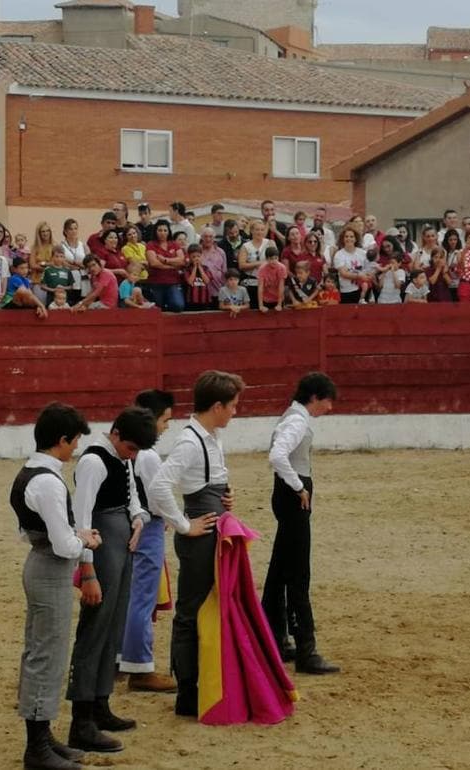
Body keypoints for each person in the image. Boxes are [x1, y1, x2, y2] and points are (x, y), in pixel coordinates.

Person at [148, 371, 244, 716]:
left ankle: (201, 683)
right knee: (191, 611)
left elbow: (210, 481)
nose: (235, 411)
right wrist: (185, 525)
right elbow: (159, 487)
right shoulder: (191, 442)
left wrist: (224, 499)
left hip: (212, 531)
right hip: (200, 538)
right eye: (232, 406)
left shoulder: (210, 436)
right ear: (217, 406)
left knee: (207, 605)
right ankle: (187, 692)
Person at [11, 402, 98, 770]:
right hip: (51, 569)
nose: (76, 448)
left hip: (43, 563)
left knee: (42, 652)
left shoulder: (31, 473)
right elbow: (63, 545)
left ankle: (43, 737)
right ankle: (36, 748)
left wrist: (73, 535)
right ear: (62, 440)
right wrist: (86, 542)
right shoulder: (47, 480)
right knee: (47, 655)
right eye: (75, 440)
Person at [65, 407, 158, 754]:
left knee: (113, 626)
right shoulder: (93, 462)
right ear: (115, 434)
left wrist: (138, 517)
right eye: (130, 448)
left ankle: (100, 704)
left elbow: (132, 496)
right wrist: (86, 567)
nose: (132, 456)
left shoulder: (122, 457)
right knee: (96, 627)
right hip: (101, 546)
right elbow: (83, 516)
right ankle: (82, 719)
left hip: (121, 543)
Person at [262, 372, 340, 674]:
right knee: (297, 573)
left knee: (280, 570)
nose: (329, 408)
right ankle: (306, 650)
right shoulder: (297, 421)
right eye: (328, 401)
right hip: (294, 498)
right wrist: (298, 486)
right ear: (315, 397)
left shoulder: (292, 416)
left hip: (287, 496)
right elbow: (277, 455)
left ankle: (274, 638)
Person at [118, 391, 180, 692]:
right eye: (165, 420)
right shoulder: (149, 455)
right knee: (141, 597)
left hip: (126, 526)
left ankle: (117, 659)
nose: (166, 427)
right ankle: (139, 668)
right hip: (148, 527)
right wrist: (176, 519)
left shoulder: (121, 450)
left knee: (127, 595)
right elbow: (159, 499)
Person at [332, 228, 369, 305]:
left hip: (362, 289)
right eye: (346, 236)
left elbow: (368, 270)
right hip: (346, 291)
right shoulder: (339, 254)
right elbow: (343, 274)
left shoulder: (363, 253)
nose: (349, 238)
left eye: (351, 236)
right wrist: (359, 275)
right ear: (343, 239)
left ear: (356, 239)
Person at [257, 246, 289, 312]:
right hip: (266, 299)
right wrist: (261, 305)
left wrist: (279, 304)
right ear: (267, 259)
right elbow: (260, 287)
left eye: (276, 258)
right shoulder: (262, 269)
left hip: (278, 298)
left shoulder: (282, 268)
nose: (274, 261)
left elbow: (281, 286)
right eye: (271, 259)